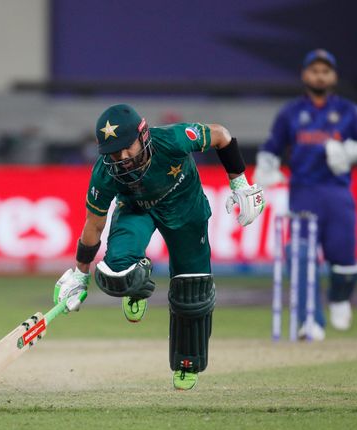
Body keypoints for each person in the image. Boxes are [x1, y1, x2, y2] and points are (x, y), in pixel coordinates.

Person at [54, 104, 264, 390]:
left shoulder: (173, 139)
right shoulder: (105, 173)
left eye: (127, 148)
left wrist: (239, 181)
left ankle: (186, 362)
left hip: (184, 207)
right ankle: (135, 285)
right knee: (115, 274)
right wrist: (79, 273)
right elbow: (94, 226)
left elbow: (221, 135)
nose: (123, 158)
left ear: (143, 135)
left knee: (193, 294)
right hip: (136, 210)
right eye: (114, 152)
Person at [255, 49, 357, 339]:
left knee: (345, 264)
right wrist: (267, 168)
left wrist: (349, 152)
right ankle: (311, 321)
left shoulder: (348, 111)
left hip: (337, 194)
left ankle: (339, 297)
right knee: (301, 257)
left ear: (333, 76)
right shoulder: (291, 112)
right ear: (305, 75)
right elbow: (272, 146)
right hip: (303, 193)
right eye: (314, 70)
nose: (320, 75)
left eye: (325, 71)